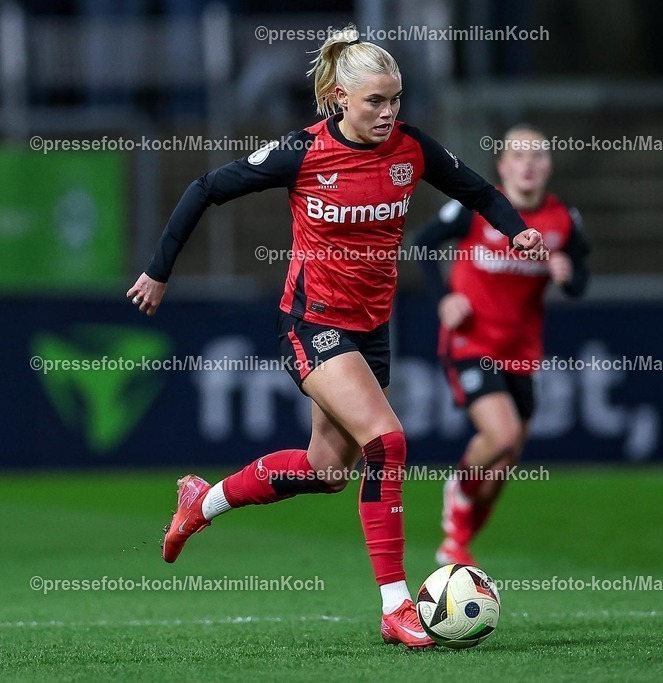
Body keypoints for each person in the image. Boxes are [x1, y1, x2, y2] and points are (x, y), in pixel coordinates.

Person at [125, 25, 547, 649]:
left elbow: (480, 191)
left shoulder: (412, 149)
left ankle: (202, 501)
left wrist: (515, 230)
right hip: (311, 322)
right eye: (375, 100)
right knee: (388, 441)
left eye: (395, 98)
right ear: (339, 99)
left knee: (326, 470)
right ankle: (396, 606)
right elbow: (205, 188)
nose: (388, 111)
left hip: (372, 331)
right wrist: (158, 271)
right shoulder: (303, 152)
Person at [414, 124, 590, 565]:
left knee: (504, 464)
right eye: (519, 156)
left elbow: (580, 278)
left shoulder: (562, 219)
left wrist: (568, 277)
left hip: (522, 351)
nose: (528, 164)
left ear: (548, 166)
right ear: (503, 165)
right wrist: (445, 299)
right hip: (470, 341)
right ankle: (456, 502)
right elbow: (423, 243)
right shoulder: (479, 208)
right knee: (502, 434)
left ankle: (458, 542)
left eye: (536, 156)